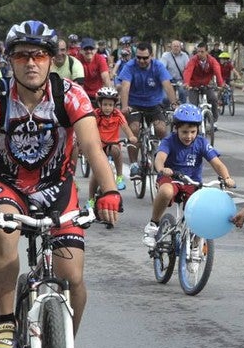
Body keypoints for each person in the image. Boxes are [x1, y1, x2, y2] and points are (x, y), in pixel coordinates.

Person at [0, 20, 122, 348]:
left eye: (39, 55)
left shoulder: (72, 95)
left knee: (73, 276)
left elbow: (91, 146)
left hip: (57, 188)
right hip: (9, 186)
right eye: (21, 55)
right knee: (5, 232)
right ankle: (6, 320)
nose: (30, 63)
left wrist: (110, 190)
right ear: (10, 61)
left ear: (52, 60)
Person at [141, 103, 235, 247]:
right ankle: (153, 226)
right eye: (184, 132)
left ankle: (196, 246)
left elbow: (217, 163)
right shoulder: (169, 141)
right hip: (171, 179)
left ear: (198, 130)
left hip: (192, 183)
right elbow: (159, 159)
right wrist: (162, 169)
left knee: (202, 211)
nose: (189, 136)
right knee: (166, 192)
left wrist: (227, 178)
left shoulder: (201, 142)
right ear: (176, 129)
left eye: (193, 131)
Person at [119, 41, 179, 175]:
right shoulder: (130, 66)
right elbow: (125, 87)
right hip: (134, 104)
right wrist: (124, 106)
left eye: (145, 58)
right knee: (133, 129)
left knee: (161, 129)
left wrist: (174, 103)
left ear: (151, 56)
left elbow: (167, 85)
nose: (141, 60)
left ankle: (160, 156)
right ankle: (134, 164)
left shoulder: (158, 66)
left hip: (154, 104)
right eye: (138, 57)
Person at [88, 85, 137, 201]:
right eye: (105, 104)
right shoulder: (96, 114)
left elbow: (125, 126)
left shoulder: (117, 114)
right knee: (95, 174)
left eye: (110, 105)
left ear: (115, 105)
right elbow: (88, 128)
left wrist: (131, 136)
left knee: (116, 150)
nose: (107, 108)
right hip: (99, 146)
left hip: (113, 144)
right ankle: (90, 200)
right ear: (99, 104)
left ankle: (119, 177)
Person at [182, 41, 224, 118]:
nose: (200, 54)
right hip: (193, 85)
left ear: (207, 52)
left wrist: (220, 84)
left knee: (213, 99)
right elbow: (188, 71)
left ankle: (214, 120)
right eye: (198, 51)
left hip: (206, 84)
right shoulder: (193, 60)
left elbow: (217, 71)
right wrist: (186, 83)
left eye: (202, 52)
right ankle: (193, 123)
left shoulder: (212, 60)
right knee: (193, 105)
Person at [79, 37, 111, 102]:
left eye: (91, 48)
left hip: (98, 95)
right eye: (86, 49)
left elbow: (106, 77)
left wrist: (109, 96)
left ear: (95, 50)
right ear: (81, 51)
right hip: (82, 95)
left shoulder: (100, 59)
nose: (89, 51)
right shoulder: (77, 60)